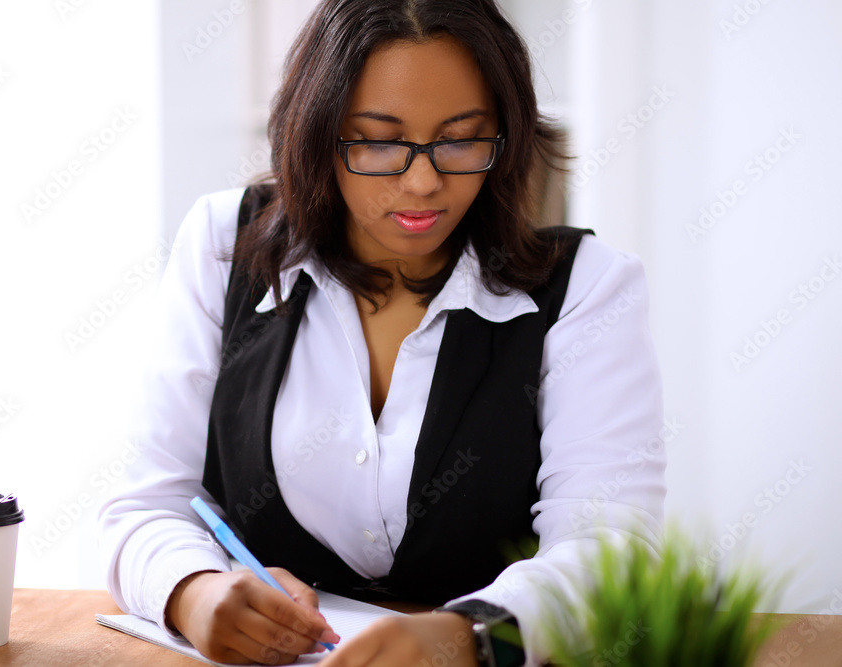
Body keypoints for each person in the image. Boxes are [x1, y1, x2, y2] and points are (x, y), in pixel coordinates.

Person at [98, 1, 665, 665]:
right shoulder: (226, 245)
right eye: (378, 141)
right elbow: (148, 505)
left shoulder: (587, 288)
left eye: (461, 139)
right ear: (317, 134)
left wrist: (471, 636)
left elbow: (611, 548)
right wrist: (192, 591)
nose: (423, 182)